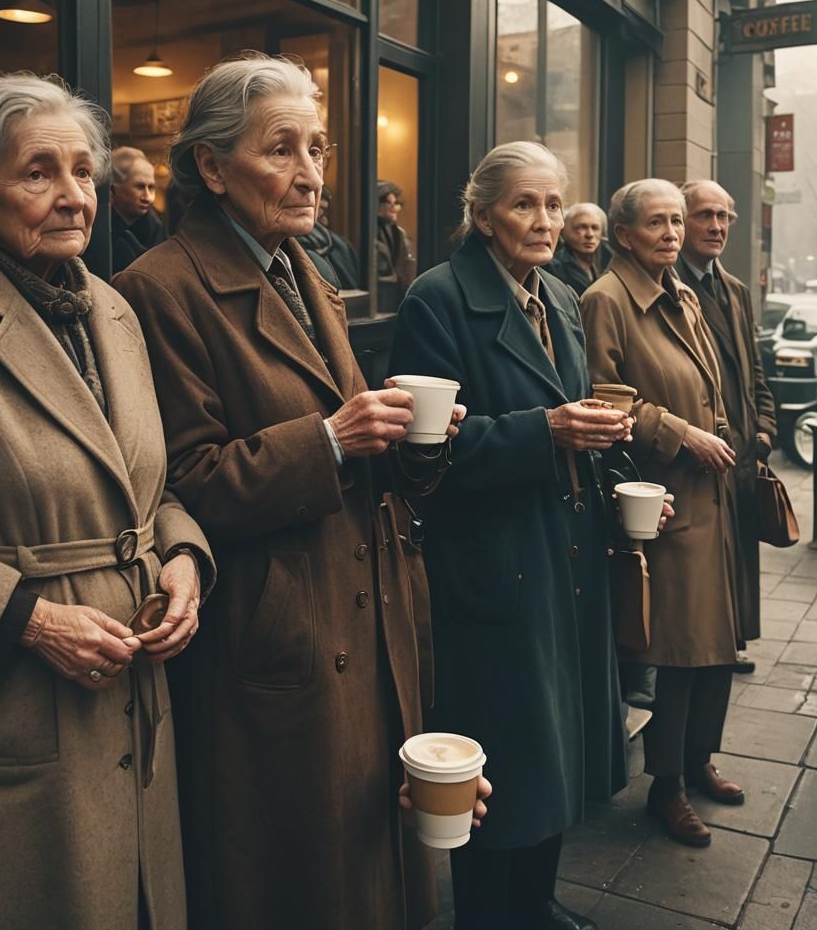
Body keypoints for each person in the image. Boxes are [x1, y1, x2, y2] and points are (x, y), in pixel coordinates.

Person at [113, 52, 485, 930]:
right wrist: (329, 437)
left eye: (317, 148)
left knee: (370, 863)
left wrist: (415, 445)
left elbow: (356, 448)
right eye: (282, 150)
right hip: (276, 632)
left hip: (363, 612)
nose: (311, 173)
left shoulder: (304, 270)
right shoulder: (158, 290)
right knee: (295, 878)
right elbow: (180, 485)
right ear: (211, 167)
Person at [0, 72, 214, 929]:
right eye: (38, 173)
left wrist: (181, 556)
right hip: (15, 712)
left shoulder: (111, 306)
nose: (73, 198)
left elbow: (148, 483)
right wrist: (27, 619)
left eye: (85, 172)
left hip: (134, 708)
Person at [390, 141, 634, 930]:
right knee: (505, 748)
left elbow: (573, 419)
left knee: (558, 742)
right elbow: (426, 456)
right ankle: (492, 914)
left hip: (565, 547)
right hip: (494, 561)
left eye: (555, 204)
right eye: (525, 204)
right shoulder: (438, 299)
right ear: (483, 212)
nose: (544, 220)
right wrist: (546, 430)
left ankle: (538, 900)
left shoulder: (560, 295)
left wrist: (621, 491)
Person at [581, 178, 744, 849]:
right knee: (676, 651)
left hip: (712, 492)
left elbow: (713, 380)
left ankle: (700, 758)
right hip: (663, 500)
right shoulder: (606, 299)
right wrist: (681, 433)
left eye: (678, 221)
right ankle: (666, 786)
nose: (674, 233)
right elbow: (600, 398)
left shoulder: (683, 293)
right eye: (658, 223)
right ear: (623, 235)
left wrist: (727, 427)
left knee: (716, 648)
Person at [677, 181, 777, 674]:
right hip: (697, 451)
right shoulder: (668, 284)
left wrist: (765, 427)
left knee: (735, 560)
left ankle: (728, 640)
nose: (717, 227)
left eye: (725, 217)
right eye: (704, 215)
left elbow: (754, 369)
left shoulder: (734, 290)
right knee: (697, 575)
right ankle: (702, 649)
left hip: (740, 448)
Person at [109, 146, 165, 271]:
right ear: (114, 189)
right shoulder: (100, 230)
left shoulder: (158, 229)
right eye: (139, 187)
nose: (147, 197)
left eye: (151, 187)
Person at [297, 184, 360, 289]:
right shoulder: (286, 240)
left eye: (322, 210)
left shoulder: (340, 244)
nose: (324, 220)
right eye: (320, 209)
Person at [546, 201, 612, 297]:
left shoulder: (610, 261)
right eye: (581, 227)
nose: (590, 234)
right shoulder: (552, 267)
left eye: (595, 228)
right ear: (563, 231)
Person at [376, 180, 417, 310]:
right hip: (380, 298)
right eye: (389, 203)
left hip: (398, 296)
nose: (395, 208)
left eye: (396, 203)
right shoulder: (370, 231)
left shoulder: (398, 233)